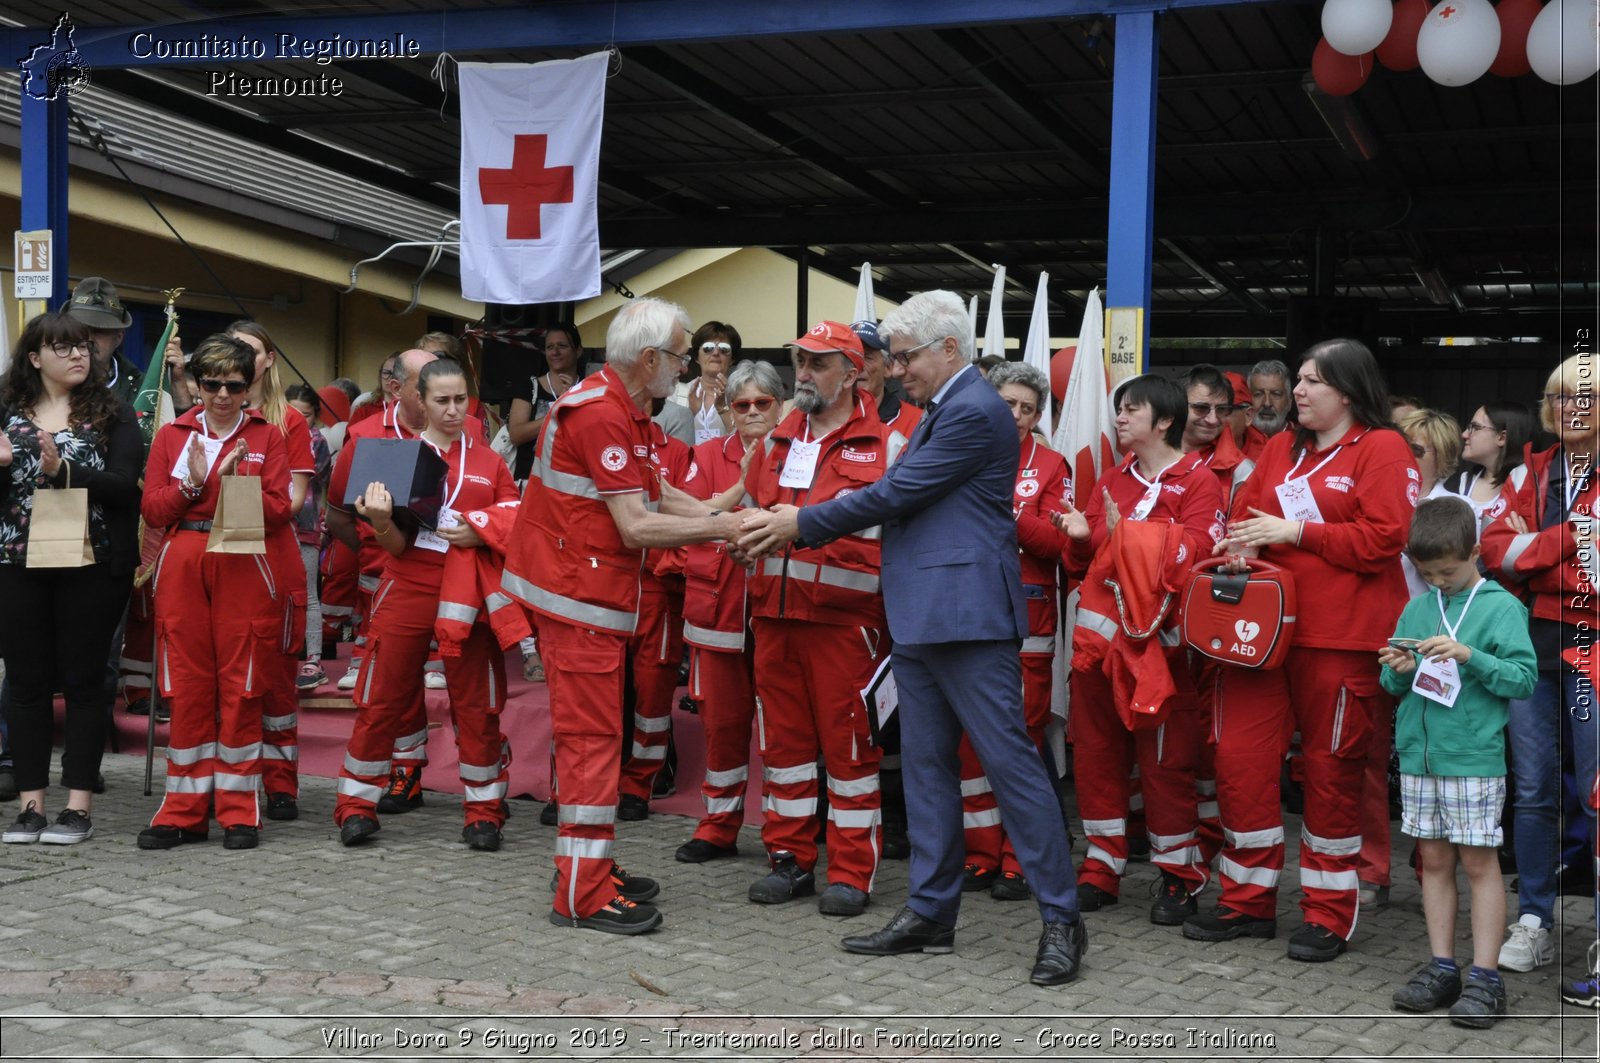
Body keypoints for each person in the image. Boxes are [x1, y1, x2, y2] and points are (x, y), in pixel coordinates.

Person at [739, 289, 1088, 987]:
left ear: (949, 349)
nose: (896, 370)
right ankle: (932, 910)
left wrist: (797, 523)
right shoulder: (943, 409)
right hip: (924, 616)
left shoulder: (973, 410)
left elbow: (894, 495)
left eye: (906, 357)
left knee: (1011, 769)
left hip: (967, 616)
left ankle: (1062, 918)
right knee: (927, 771)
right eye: (892, 358)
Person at [498, 296, 742, 935]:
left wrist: (728, 518)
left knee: (597, 741)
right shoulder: (603, 413)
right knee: (592, 745)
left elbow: (659, 493)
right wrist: (726, 529)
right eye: (683, 355)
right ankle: (581, 891)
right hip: (578, 603)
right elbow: (636, 525)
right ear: (652, 358)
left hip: (590, 600)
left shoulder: (620, 408)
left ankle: (589, 868)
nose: (687, 368)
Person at [1189, 338, 1415, 962]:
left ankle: (1327, 913)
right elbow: (1245, 511)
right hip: (1259, 637)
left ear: (1348, 390)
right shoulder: (1282, 448)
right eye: (1301, 380)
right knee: (1238, 758)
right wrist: (1245, 545)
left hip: (1340, 640)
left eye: (1313, 381)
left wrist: (1293, 531)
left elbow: (1385, 537)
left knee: (1331, 772)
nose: (1299, 391)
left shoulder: (1383, 448)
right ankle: (1246, 900)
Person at [739, 321, 902, 920]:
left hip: (845, 623)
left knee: (851, 752)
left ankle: (854, 872)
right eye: (798, 361)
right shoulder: (779, 439)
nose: (802, 374)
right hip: (774, 618)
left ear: (853, 372)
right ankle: (789, 859)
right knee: (782, 746)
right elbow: (754, 512)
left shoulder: (888, 444)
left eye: (817, 363)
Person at [1055, 374, 1223, 923]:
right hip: (1099, 647)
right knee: (1099, 758)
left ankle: (1179, 874)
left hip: (1164, 649)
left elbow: (1199, 554)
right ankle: (1102, 867)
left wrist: (1123, 535)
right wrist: (1081, 539)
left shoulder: (1199, 482)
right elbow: (1081, 567)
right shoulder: (1110, 478)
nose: (1120, 419)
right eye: (1118, 410)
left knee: (1165, 763)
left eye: (1131, 410)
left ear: (1165, 421)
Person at [333, 359, 520, 851]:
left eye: (461, 399)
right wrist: (378, 521)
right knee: (382, 697)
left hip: (469, 591)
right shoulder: (397, 457)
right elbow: (393, 546)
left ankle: (484, 810)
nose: (454, 409)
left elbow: (515, 524)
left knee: (477, 703)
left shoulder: (490, 462)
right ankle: (355, 806)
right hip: (409, 582)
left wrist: (481, 531)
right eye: (442, 400)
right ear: (421, 401)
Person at [1381, 496, 1536, 1028]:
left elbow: (1524, 679)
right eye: (1426, 573)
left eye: (1446, 571)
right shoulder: (1417, 607)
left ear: (1474, 552)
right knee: (1435, 861)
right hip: (1419, 757)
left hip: (1472, 756)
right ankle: (1442, 965)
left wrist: (1472, 656)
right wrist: (1399, 668)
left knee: (1478, 862)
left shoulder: (1500, 607)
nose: (1437, 581)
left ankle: (1487, 978)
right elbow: (1392, 684)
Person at [136, 334, 292, 851]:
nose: (222, 395)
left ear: (250, 387)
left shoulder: (268, 436)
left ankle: (237, 810)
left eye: (234, 385)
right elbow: (155, 511)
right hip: (184, 559)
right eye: (211, 383)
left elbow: (279, 510)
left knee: (242, 685)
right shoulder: (172, 435)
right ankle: (183, 810)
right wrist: (193, 485)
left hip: (244, 561)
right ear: (196, 383)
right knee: (186, 685)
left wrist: (227, 484)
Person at [1480, 353, 1600, 990]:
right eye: (1556, 398)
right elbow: (1496, 553)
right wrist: (1572, 536)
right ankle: (1534, 919)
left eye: (1583, 397)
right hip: (1533, 652)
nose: (1566, 409)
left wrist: (1535, 550)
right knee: (1531, 794)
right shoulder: (1533, 471)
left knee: (1597, 796)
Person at [0, 312, 141, 846]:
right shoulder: (5, 412)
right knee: (27, 682)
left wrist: (64, 472)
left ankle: (78, 807)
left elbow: (127, 490)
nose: (79, 355)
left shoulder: (116, 415)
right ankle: (31, 806)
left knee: (85, 682)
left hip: (92, 564)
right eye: (63, 348)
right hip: (16, 561)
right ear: (35, 359)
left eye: (83, 346)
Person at [957, 361, 1070, 901]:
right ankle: (980, 853)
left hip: (1029, 621)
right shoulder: (963, 447)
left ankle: (1019, 859)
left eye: (1028, 408)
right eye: (1009, 404)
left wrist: (1003, 508)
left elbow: (1054, 545)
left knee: (1019, 744)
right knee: (970, 745)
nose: (1018, 416)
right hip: (967, 612)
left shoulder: (1051, 464)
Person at [672, 359, 784, 863]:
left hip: (779, 610)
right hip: (717, 610)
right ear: (728, 410)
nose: (754, 412)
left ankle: (786, 832)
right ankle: (717, 826)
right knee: (722, 725)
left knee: (785, 728)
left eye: (764, 403)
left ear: (780, 406)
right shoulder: (706, 454)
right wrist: (742, 486)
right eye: (743, 405)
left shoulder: (799, 454)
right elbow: (687, 514)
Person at [228, 321, 317, 821]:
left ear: (269, 360)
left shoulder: (289, 422)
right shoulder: (208, 417)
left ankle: (281, 783)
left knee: (279, 677)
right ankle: (232, 778)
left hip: (273, 558)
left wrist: (234, 499)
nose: (240, 356)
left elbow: (296, 501)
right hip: (225, 561)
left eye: (250, 350)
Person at [285, 384, 333, 690]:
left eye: (306, 415)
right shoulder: (270, 431)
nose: (300, 420)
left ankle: (313, 660)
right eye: (293, 413)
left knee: (309, 596)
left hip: (304, 525)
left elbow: (318, 479)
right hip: (271, 524)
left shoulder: (316, 440)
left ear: (315, 416)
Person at [1397, 409, 1463, 599]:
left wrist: (1414, 552)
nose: (1406, 454)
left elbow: (1456, 582)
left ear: (1441, 457)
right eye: (1401, 445)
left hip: (1424, 618)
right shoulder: (1378, 496)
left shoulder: (1457, 508)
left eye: (1416, 450)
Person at [507, 324, 582, 486]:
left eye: (562, 346)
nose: (555, 352)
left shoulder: (589, 390)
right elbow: (516, 435)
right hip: (531, 483)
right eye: (550, 347)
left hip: (571, 485)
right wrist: (558, 409)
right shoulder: (529, 386)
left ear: (578, 351)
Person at [1452, 401, 1535, 537]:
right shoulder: (1456, 485)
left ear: (1502, 437)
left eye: (1475, 427)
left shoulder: (1531, 490)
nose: (1464, 434)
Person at [677, 322, 740, 444]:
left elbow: (745, 441)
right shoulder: (677, 393)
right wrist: (691, 414)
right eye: (708, 348)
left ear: (732, 358)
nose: (716, 353)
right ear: (696, 357)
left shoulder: (741, 395)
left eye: (724, 349)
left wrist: (723, 410)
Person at [1242, 358, 1293, 461]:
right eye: (1258, 394)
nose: (1267, 403)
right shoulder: (1237, 440)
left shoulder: (1303, 441)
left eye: (1276, 394)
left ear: (1289, 402)